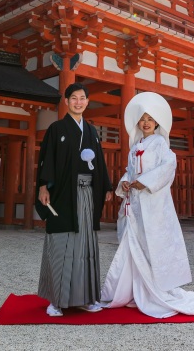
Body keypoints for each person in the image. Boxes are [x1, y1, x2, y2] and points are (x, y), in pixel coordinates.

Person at [100, 92, 194, 318]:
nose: (146, 122)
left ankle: (155, 291)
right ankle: (131, 290)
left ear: (157, 121)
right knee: (133, 245)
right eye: (142, 118)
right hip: (136, 204)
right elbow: (129, 172)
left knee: (153, 245)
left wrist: (145, 182)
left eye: (150, 118)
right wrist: (126, 183)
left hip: (154, 204)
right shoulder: (136, 145)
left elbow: (168, 166)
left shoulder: (160, 143)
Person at [35, 82, 113, 316]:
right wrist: (42, 186)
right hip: (63, 194)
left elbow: (99, 161)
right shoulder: (56, 129)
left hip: (87, 194)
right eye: (74, 98)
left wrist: (106, 186)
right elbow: (47, 159)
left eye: (82, 98)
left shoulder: (91, 131)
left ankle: (86, 298)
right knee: (61, 243)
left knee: (86, 245)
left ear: (87, 102)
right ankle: (55, 301)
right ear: (67, 102)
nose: (78, 102)